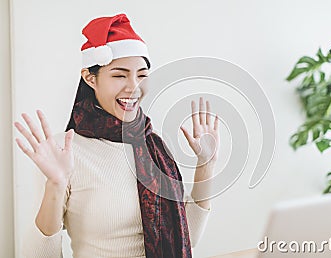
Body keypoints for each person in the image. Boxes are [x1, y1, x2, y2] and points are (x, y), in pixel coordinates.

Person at [14, 13, 219, 258]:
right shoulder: (62, 151)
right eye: (120, 75)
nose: (133, 87)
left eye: (141, 75)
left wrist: (206, 164)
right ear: (91, 78)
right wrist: (56, 186)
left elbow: (190, 235)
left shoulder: (153, 146)